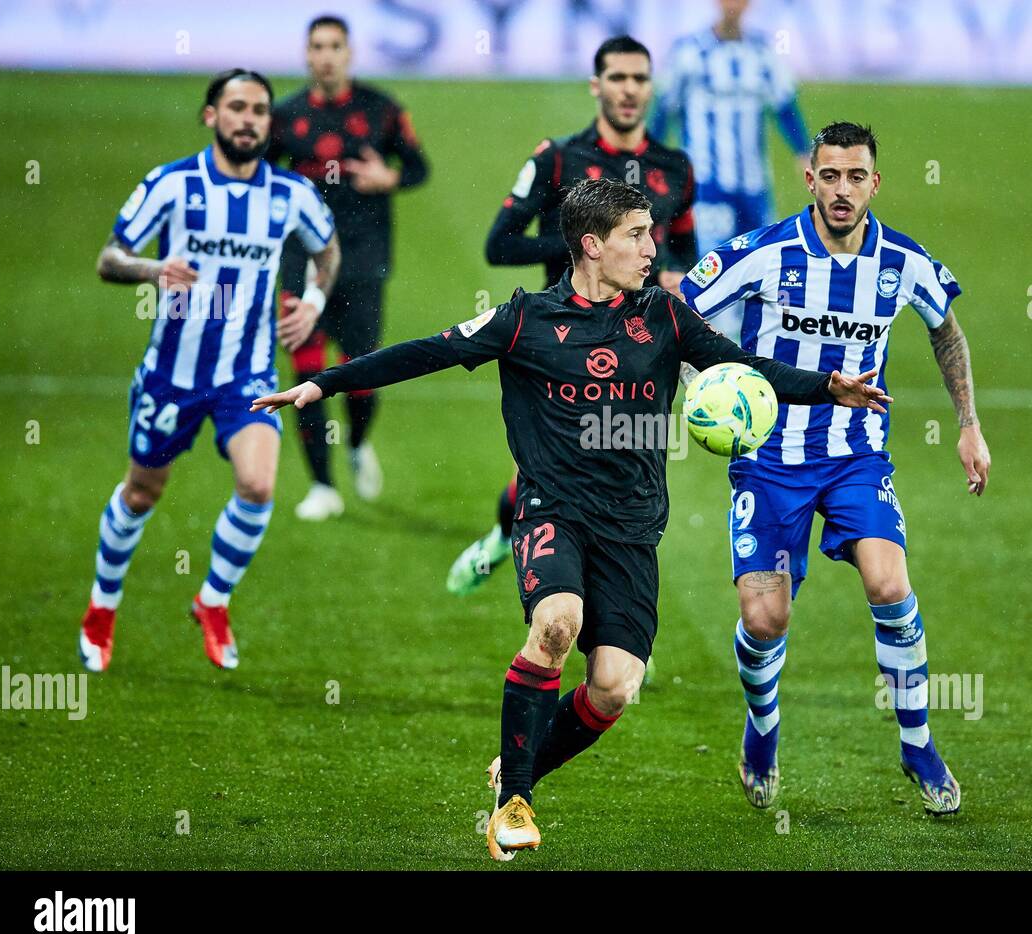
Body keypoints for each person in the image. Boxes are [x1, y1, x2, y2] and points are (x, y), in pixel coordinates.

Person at [251, 177, 889, 858]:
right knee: (556, 623)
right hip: (552, 512)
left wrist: (826, 387)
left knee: (614, 687)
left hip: (633, 529)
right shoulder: (525, 320)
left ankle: (517, 770)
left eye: (651, 232)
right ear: (592, 244)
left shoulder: (664, 317)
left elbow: (742, 366)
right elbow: (426, 351)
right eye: (637, 235)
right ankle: (513, 804)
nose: (653, 247)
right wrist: (324, 382)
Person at [680, 121, 991, 816]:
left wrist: (968, 424)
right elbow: (679, 310)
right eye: (830, 175)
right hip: (769, 461)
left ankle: (919, 745)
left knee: (890, 581)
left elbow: (945, 327)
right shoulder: (765, 252)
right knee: (765, 620)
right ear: (809, 179)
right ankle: (762, 734)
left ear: (875, 183)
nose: (842, 189)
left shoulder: (901, 260)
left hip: (856, 457)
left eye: (856, 176)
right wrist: (698, 383)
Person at [78, 69, 339, 672]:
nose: (249, 119)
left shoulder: (290, 193)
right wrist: (152, 271)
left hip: (245, 375)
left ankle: (213, 600)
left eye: (260, 111)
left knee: (259, 485)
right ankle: (102, 606)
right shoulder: (171, 184)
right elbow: (109, 258)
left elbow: (327, 252)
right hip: (171, 374)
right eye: (237, 108)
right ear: (211, 116)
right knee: (143, 492)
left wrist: (314, 306)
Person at [446, 34, 697, 597]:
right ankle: (510, 547)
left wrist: (674, 276)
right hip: (564, 339)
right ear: (596, 85)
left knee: (622, 471)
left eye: (639, 79)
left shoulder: (674, 168)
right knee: (563, 474)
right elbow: (499, 245)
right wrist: (585, 248)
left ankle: (613, 622)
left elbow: (683, 249)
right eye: (617, 78)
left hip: (641, 342)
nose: (629, 90)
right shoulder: (558, 159)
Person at [267, 14, 430, 521]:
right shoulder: (285, 117)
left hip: (362, 259)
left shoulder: (382, 112)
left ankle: (357, 443)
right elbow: (262, 180)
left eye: (335, 45)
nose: (326, 55)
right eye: (317, 46)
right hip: (302, 261)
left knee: (359, 374)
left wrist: (390, 177)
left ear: (349, 53)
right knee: (307, 368)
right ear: (306, 54)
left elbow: (419, 167)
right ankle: (322, 486)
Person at [649, 0, 810, 341]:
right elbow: (664, 110)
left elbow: (785, 107)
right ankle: (713, 350)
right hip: (706, 185)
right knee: (712, 266)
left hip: (753, 185)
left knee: (762, 266)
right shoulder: (689, 52)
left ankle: (754, 347)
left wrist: (803, 154)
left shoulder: (762, 52)